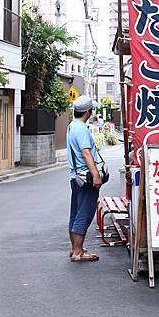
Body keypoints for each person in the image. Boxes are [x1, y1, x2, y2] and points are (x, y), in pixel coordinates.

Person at [67, 95, 103, 262]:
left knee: (75, 212)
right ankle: (78, 252)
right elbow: (86, 152)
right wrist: (96, 174)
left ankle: (74, 247)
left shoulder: (72, 126)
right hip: (86, 176)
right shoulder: (81, 128)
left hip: (75, 176)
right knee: (85, 213)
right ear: (88, 112)